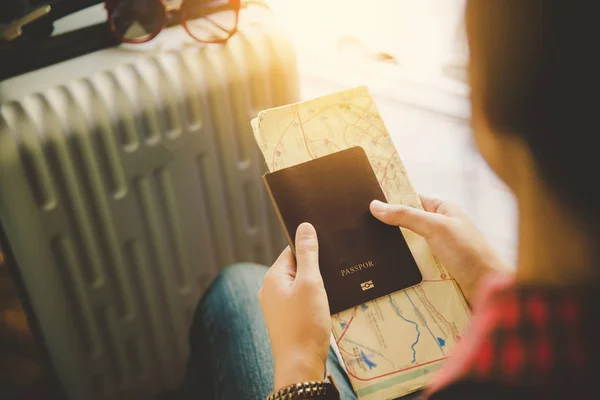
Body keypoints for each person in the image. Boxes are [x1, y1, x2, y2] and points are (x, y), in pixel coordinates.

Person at [181, 0, 600, 398]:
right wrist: (485, 275)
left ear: (486, 106)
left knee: (233, 291)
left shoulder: (487, 384)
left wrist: (298, 366)